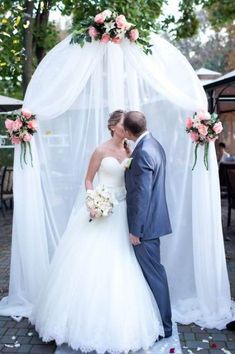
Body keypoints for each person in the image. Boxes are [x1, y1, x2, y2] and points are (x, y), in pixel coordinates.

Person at [29, 110, 164, 353]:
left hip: (122, 213)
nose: (125, 131)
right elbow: (89, 179)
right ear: (113, 127)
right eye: (122, 127)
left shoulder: (131, 151)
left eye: (126, 127)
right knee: (90, 265)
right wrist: (94, 201)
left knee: (122, 265)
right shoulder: (101, 151)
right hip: (101, 212)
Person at [124, 111, 172, 339]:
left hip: (146, 227)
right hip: (154, 222)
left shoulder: (142, 152)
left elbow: (141, 195)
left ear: (129, 131)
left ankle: (165, 326)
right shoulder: (155, 144)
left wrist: (136, 230)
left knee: (154, 275)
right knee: (153, 274)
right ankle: (158, 321)